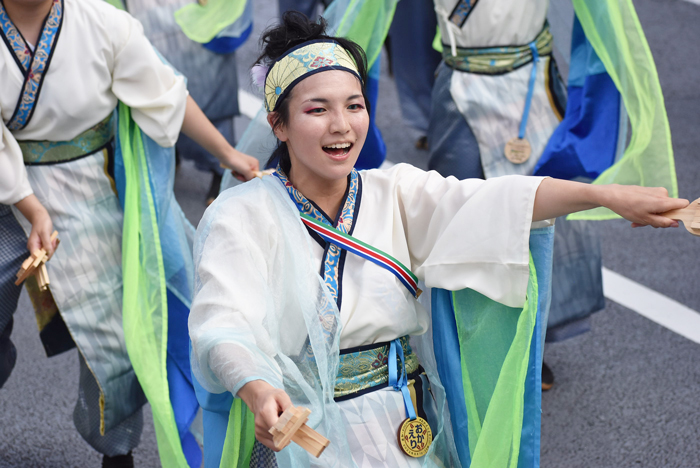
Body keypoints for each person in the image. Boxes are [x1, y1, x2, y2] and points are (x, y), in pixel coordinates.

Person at [189, 12, 686, 468]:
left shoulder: (396, 191)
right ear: (278, 123)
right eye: (317, 110)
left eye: (355, 105)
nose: (341, 125)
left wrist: (604, 196)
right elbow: (223, 324)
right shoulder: (243, 215)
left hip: (409, 425)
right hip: (305, 433)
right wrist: (255, 388)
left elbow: (500, 201)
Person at [0, 0, 258, 466]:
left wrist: (227, 154)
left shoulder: (104, 23)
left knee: (112, 334)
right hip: (4, 190)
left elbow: (165, 96)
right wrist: (29, 204)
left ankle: (117, 452)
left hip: (88, 188)